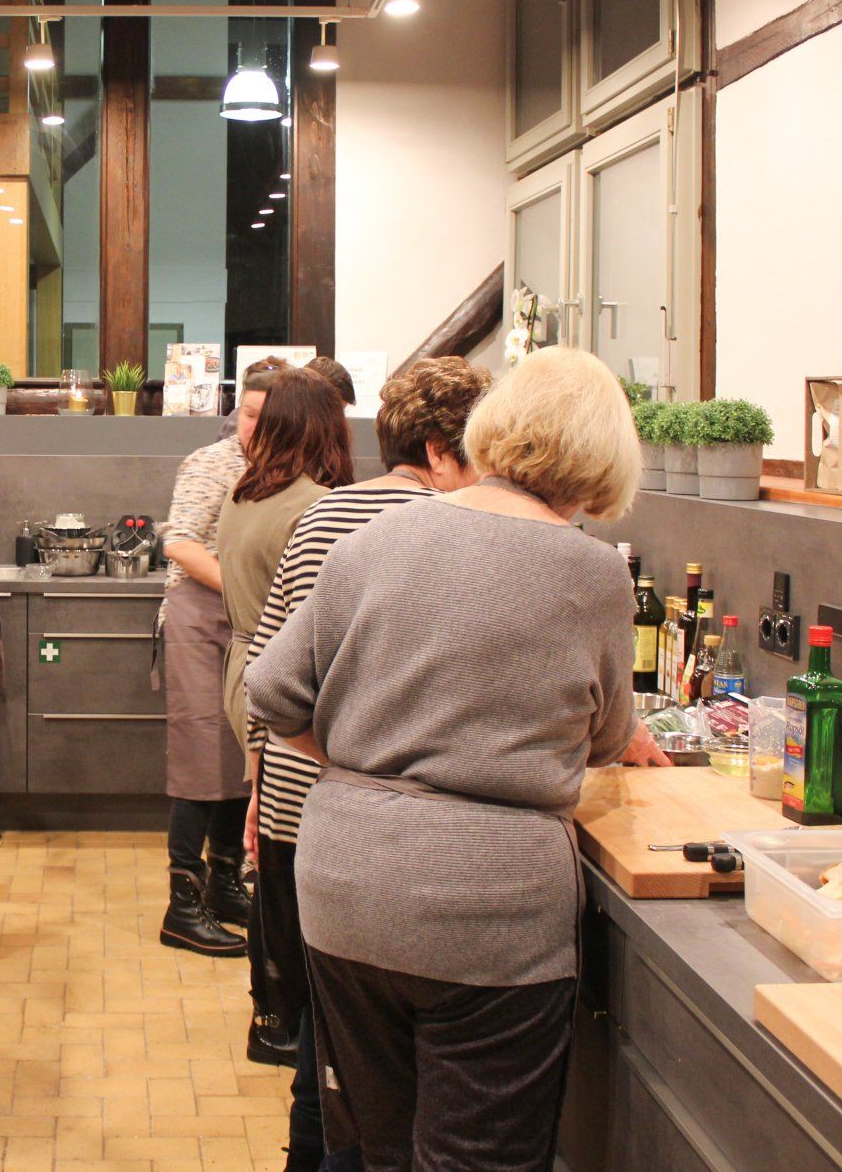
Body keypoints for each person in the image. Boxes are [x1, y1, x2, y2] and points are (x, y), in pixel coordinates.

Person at [245, 347, 670, 1172]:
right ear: (606, 459)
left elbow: (270, 688)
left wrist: (365, 762)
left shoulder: (379, 532)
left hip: (344, 886)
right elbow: (611, 740)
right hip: (490, 911)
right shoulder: (593, 572)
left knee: (378, 1152)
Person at [238, 356, 490, 1166]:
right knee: (373, 1066)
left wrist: (258, 787)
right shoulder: (464, 531)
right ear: (445, 450)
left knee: (320, 1041)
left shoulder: (322, 516)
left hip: (289, 800)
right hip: (372, 821)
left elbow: (268, 671)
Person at [217, 367, 353, 1031]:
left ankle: (267, 1006)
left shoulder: (244, 494)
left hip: (243, 667)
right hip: (283, 680)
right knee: (284, 854)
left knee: (264, 838)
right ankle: (283, 1013)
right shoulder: (311, 505)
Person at [156, 357, 286, 957]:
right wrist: (243, 590)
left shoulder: (286, 470)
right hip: (198, 617)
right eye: (247, 414)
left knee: (242, 749)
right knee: (200, 753)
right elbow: (179, 541)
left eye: (264, 415)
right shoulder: (212, 463)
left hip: (248, 623)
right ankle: (182, 903)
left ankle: (225, 877)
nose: (252, 426)